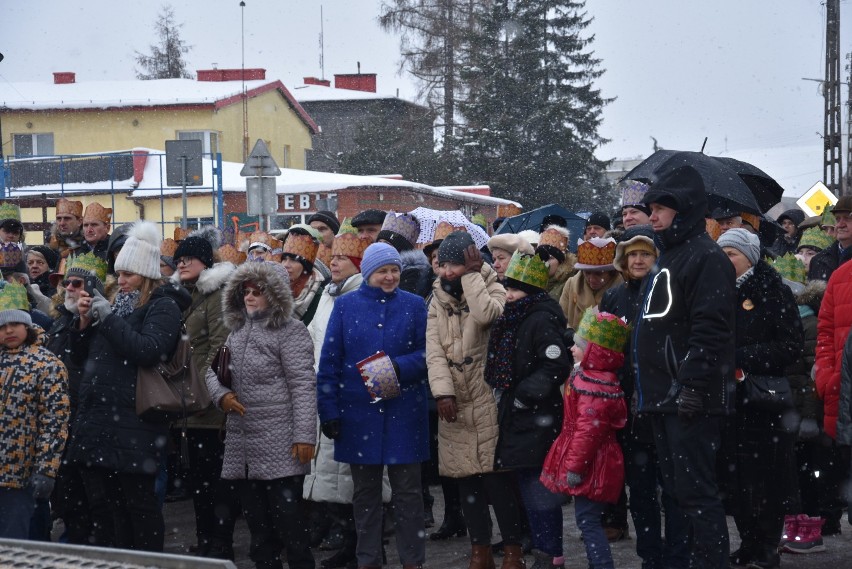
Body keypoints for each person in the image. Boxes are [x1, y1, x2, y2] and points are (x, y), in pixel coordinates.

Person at [632, 165, 736, 569]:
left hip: (690, 399)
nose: (652, 216)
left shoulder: (707, 257)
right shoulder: (670, 256)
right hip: (663, 397)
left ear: (686, 209)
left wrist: (691, 385)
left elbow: (711, 329)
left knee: (697, 494)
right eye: (651, 208)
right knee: (676, 492)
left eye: (661, 208)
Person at [67, 220, 188, 551]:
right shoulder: (113, 303)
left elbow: (148, 351)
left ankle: (146, 562)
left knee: (139, 508)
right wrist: (82, 322)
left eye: (129, 275)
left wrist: (107, 319)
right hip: (98, 421)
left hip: (135, 423)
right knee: (104, 509)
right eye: (118, 273)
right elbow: (79, 357)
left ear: (147, 275)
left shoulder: (162, 305)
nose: (120, 281)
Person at [317, 243, 429, 569]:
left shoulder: (415, 305)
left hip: (404, 414)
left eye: (394, 270)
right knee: (365, 495)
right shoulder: (345, 306)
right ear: (368, 273)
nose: (390, 277)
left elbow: (429, 356)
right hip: (357, 416)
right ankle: (368, 561)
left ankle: (413, 562)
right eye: (383, 271)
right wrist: (329, 411)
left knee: (408, 494)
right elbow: (330, 363)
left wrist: (395, 367)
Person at [206, 260, 317, 569]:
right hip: (244, 445)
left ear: (276, 294)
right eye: (246, 291)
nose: (250, 297)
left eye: (258, 291)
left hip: (281, 442)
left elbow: (303, 386)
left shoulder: (291, 331)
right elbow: (213, 374)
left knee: (290, 527)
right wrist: (223, 396)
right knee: (259, 531)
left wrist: (304, 435)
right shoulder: (237, 331)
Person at [426, 231, 526, 569]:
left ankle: (513, 550)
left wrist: (472, 276)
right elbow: (434, 352)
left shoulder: (494, 285)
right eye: (444, 264)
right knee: (466, 478)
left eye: (455, 264)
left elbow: (487, 316)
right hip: (455, 400)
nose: (447, 272)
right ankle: (479, 550)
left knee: (496, 479)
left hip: (486, 396)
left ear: (470, 262)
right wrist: (442, 392)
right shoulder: (436, 298)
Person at [599, 225, 690, 567]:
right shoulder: (614, 296)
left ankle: (679, 556)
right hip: (629, 409)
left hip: (668, 404)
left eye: (646, 253)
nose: (638, 260)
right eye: (633, 254)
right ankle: (650, 555)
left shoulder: (670, 290)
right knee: (640, 491)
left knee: (674, 490)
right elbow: (604, 350)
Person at [714, 229, 803, 569]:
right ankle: (748, 542)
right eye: (721, 254)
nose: (725, 260)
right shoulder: (718, 291)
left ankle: (768, 545)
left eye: (732, 254)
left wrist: (740, 357)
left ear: (749, 257)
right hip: (730, 400)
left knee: (768, 476)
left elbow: (789, 346)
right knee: (734, 477)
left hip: (764, 402)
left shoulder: (773, 291)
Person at [486, 251, 571, 569]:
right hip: (521, 417)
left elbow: (556, 363)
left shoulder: (539, 318)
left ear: (532, 292)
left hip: (535, 417)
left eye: (515, 289)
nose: (508, 295)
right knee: (529, 486)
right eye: (507, 288)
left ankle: (550, 555)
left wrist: (523, 396)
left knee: (538, 490)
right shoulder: (517, 317)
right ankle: (545, 552)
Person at [305, 219, 371, 569]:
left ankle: (361, 547)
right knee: (334, 479)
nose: (333, 262)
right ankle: (350, 543)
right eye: (332, 258)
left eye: (342, 259)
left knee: (351, 480)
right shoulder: (330, 296)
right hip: (325, 394)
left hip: (350, 398)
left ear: (358, 265)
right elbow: (315, 340)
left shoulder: (359, 297)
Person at [540, 309, 629, 569]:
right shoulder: (591, 377)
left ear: (595, 351)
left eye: (580, 345)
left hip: (592, 463)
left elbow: (587, 433)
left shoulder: (592, 384)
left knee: (588, 522)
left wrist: (575, 468)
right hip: (596, 460)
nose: (572, 348)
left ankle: (601, 564)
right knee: (588, 520)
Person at [171, 226, 238, 559]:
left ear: (205, 262)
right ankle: (205, 538)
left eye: (189, 259)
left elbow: (219, 346)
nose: (182, 264)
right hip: (187, 402)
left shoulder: (216, 293)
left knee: (216, 477)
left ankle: (221, 542)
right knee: (199, 478)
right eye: (179, 259)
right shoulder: (184, 295)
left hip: (210, 403)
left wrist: (202, 387)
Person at [45, 253, 108, 545]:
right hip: (60, 420)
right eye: (66, 282)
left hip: (89, 420)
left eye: (76, 282)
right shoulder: (59, 322)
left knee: (90, 495)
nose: (68, 287)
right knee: (65, 491)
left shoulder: (99, 322)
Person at [0, 282, 69, 539]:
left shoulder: (47, 364)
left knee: (16, 548)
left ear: (27, 326)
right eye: (2, 326)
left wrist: (46, 468)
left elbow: (55, 421)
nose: (8, 331)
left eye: (14, 324)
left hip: (20, 473)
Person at [558, 237, 623, 330]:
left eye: (598, 273)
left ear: (611, 272)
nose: (592, 279)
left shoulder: (622, 289)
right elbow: (561, 318)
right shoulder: (571, 284)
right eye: (587, 273)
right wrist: (568, 331)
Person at [377, 212, 432, 298]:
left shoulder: (412, 274)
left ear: (400, 249)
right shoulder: (375, 269)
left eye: (387, 244)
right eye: (379, 243)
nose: (381, 248)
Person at [281, 225, 326, 325]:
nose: (286, 265)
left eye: (293, 260)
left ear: (305, 266)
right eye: (284, 259)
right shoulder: (271, 288)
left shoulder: (319, 295)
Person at [535, 226, 575, 303]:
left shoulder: (569, 285)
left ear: (561, 261)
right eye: (541, 257)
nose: (544, 262)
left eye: (550, 258)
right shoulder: (533, 282)